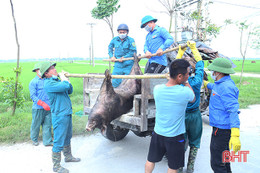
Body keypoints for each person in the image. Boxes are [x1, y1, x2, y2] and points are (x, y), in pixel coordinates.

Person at [145, 59, 195, 173]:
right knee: (173, 166)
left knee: (150, 160)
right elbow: (193, 98)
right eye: (187, 74)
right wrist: (186, 83)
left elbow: (170, 85)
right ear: (179, 76)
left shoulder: (157, 89)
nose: (189, 76)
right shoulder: (185, 92)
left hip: (158, 133)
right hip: (175, 137)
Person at [40, 62, 80, 173]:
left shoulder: (57, 81)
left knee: (67, 136)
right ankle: (56, 167)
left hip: (67, 112)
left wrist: (66, 79)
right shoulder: (48, 84)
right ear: (46, 73)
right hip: (59, 115)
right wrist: (64, 79)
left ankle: (68, 157)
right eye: (52, 68)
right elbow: (65, 86)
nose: (55, 69)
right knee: (58, 140)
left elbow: (70, 90)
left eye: (54, 67)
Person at [204, 58, 241, 173]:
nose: (212, 73)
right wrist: (206, 84)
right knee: (224, 160)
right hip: (221, 128)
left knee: (217, 164)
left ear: (218, 72)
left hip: (221, 130)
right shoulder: (222, 83)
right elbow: (215, 88)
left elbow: (233, 110)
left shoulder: (226, 87)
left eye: (213, 71)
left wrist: (235, 134)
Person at [176, 41, 204, 173]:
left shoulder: (179, 83)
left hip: (181, 116)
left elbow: (173, 67)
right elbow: (200, 65)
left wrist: (181, 52)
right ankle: (191, 168)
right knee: (195, 142)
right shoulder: (197, 81)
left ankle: (179, 167)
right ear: (191, 72)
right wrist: (194, 49)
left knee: (181, 141)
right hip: (195, 116)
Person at [29, 63, 53, 146]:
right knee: (36, 124)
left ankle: (47, 141)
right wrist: (42, 104)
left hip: (48, 107)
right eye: (39, 69)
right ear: (36, 70)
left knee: (47, 124)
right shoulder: (33, 82)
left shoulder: (47, 80)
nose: (41, 71)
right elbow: (33, 96)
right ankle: (34, 139)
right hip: (38, 108)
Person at [108, 23, 137, 87]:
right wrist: (112, 56)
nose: (122, 33)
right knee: (115, 81)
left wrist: (124, 57)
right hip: (118, 65)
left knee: (128, 82)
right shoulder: (114, 40)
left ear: (127, 32)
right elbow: (110, 48)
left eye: (123, 32)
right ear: (118, 32)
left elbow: (133, 51)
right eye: (120, 32)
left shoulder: (131, 40)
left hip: (128, 64)